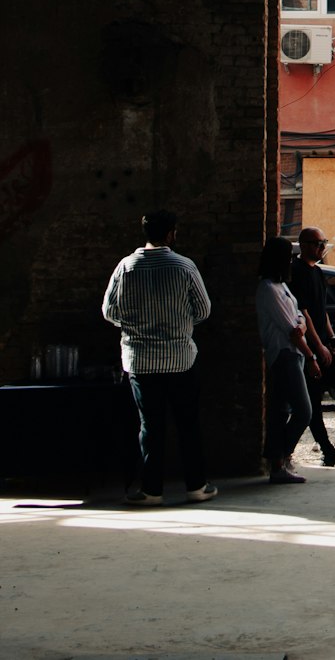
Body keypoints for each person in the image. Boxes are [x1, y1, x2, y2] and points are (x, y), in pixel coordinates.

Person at [102, 208, 216, 505]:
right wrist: (180, 321)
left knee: (149, 427)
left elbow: (109, 312)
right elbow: (204, 310)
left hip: (141, 361)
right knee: (188, 424)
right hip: (180, 359)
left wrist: (132, 323)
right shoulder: (184, 266)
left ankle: (151, 490)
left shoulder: (125, 267)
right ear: (170, 233)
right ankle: (196, 486)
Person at [289, 226, 335, 469]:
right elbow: (304, 313)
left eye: (323, 242)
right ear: (304, 244)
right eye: (318, 243)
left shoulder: (317, 272)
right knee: (312, 405)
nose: (322, 247)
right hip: (308, 344)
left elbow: (321, 309)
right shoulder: (296, 272)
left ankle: (321, 450)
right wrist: (317, 347)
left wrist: (331, 337)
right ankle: (325, 450)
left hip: (322, 342)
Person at [256, 235, 321, 485]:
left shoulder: (281, 286)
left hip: (292, 354)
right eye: (288, 256)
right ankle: (282, 457)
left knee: (281, 410)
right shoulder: (268, 290)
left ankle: (277, 464)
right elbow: (291, 330)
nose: (292, 260)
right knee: (304, 411)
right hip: (284, 355)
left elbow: (299, 321)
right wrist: (311, 356)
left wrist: (301, 327)